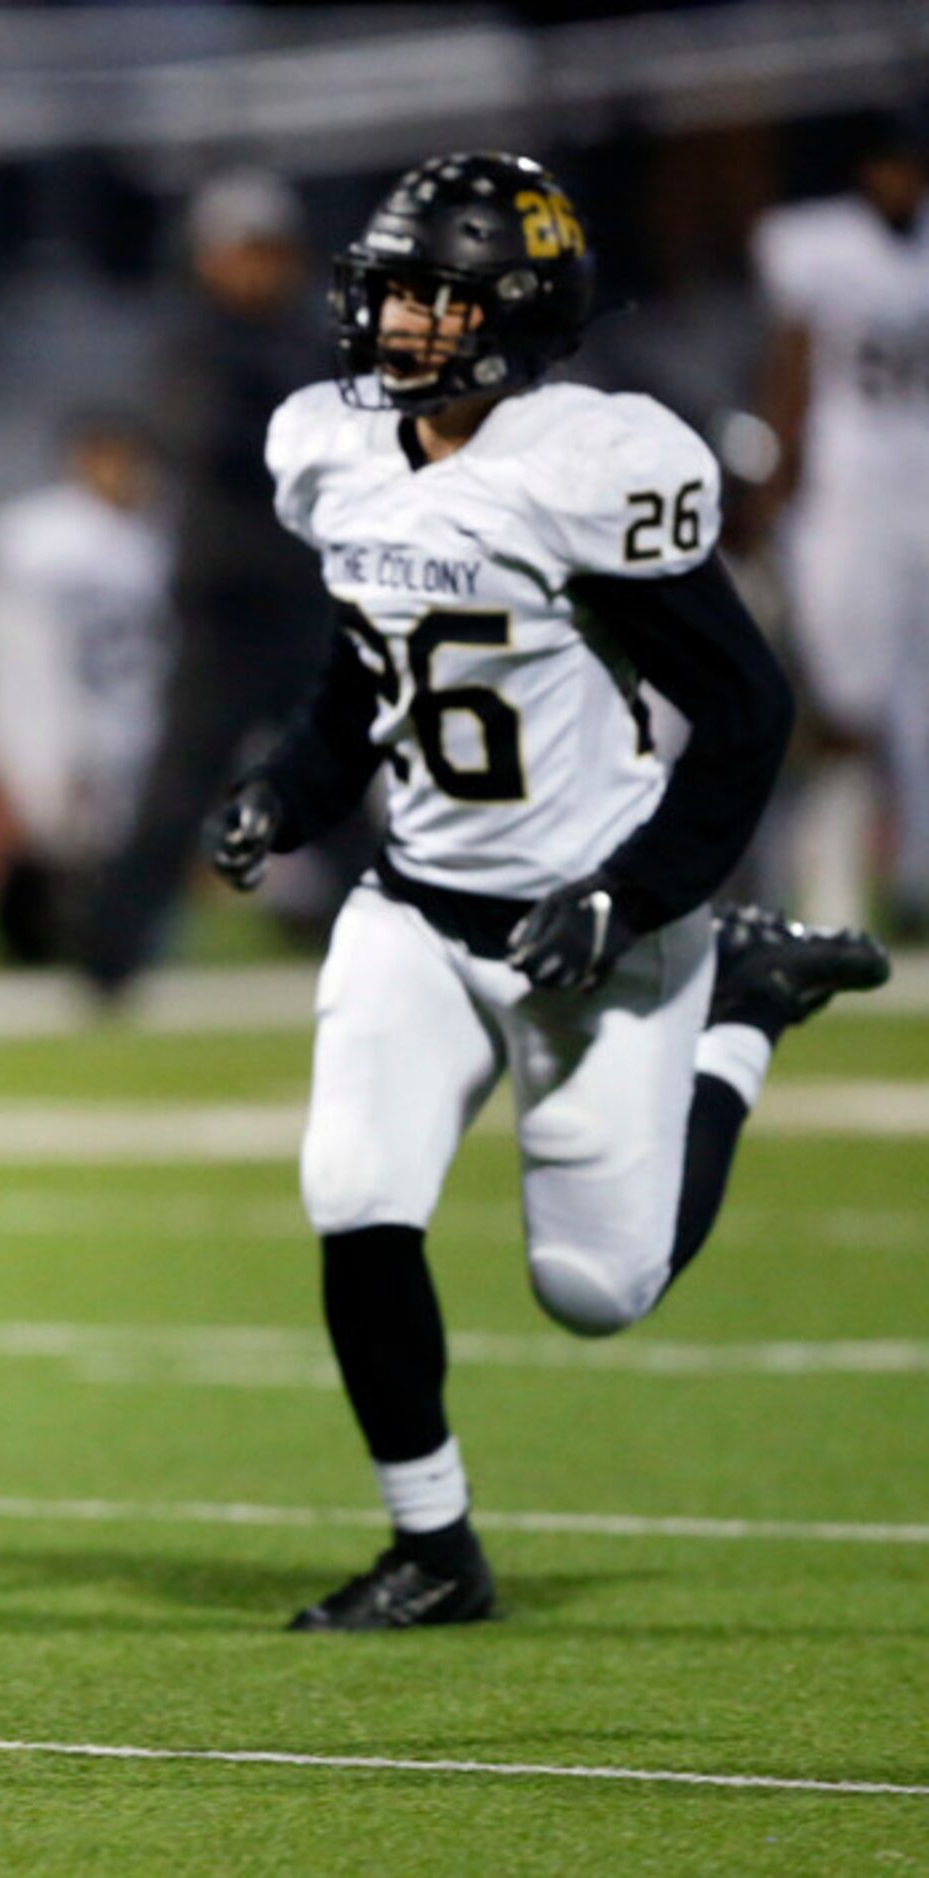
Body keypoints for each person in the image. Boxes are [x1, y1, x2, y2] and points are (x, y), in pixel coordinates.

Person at [207, 151, 891, 1632]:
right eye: (387, 291)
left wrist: (637, 896)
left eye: (435, 301)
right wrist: (289, 789)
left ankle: (744, 1011)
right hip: (414, 906)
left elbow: (749, 710)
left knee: (599, 1286)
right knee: (354, 1190)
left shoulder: (592, 467)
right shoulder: (335, 450)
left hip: (590, 919)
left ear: (516, 314)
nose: (396, 324)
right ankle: (434, 1545)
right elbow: (369, 675)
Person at [77, 169, 353, 996]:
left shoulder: (313, 340)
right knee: (178, 790)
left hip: (305, 600)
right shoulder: (193, 346)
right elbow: (211, 437)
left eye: (269, 252)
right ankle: (107, 956)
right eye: (242, 253)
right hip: (225, 608)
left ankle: (405, 945)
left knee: (336, 790)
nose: (257, 270)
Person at [748, 108, 929, 936]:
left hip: (915, 489)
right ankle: (826, 890)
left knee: (914, 700)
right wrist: (772, 488)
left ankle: (911, 884)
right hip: (845, 494)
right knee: (841, 697)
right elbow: (790, 367)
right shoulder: (815, 244)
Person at [0, 410, 171, 962]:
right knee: (57, 829)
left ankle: (98, 936)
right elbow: (20, 637)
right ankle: (35, 936)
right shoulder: (40, 531)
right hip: (53, 705)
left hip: (126, 704)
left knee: (116, 834)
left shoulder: (149, 538)